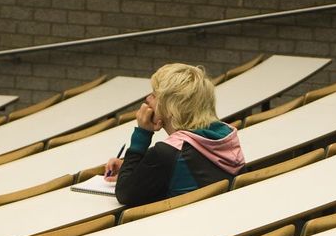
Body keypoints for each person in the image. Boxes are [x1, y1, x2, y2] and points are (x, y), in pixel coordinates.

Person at [104, 63, 245, 205]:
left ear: (171, 108)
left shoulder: (167, 153)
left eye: (154, 95)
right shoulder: (227, 135)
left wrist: (142, 134)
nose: (148, 99)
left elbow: (125, 194)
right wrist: (130, 168)